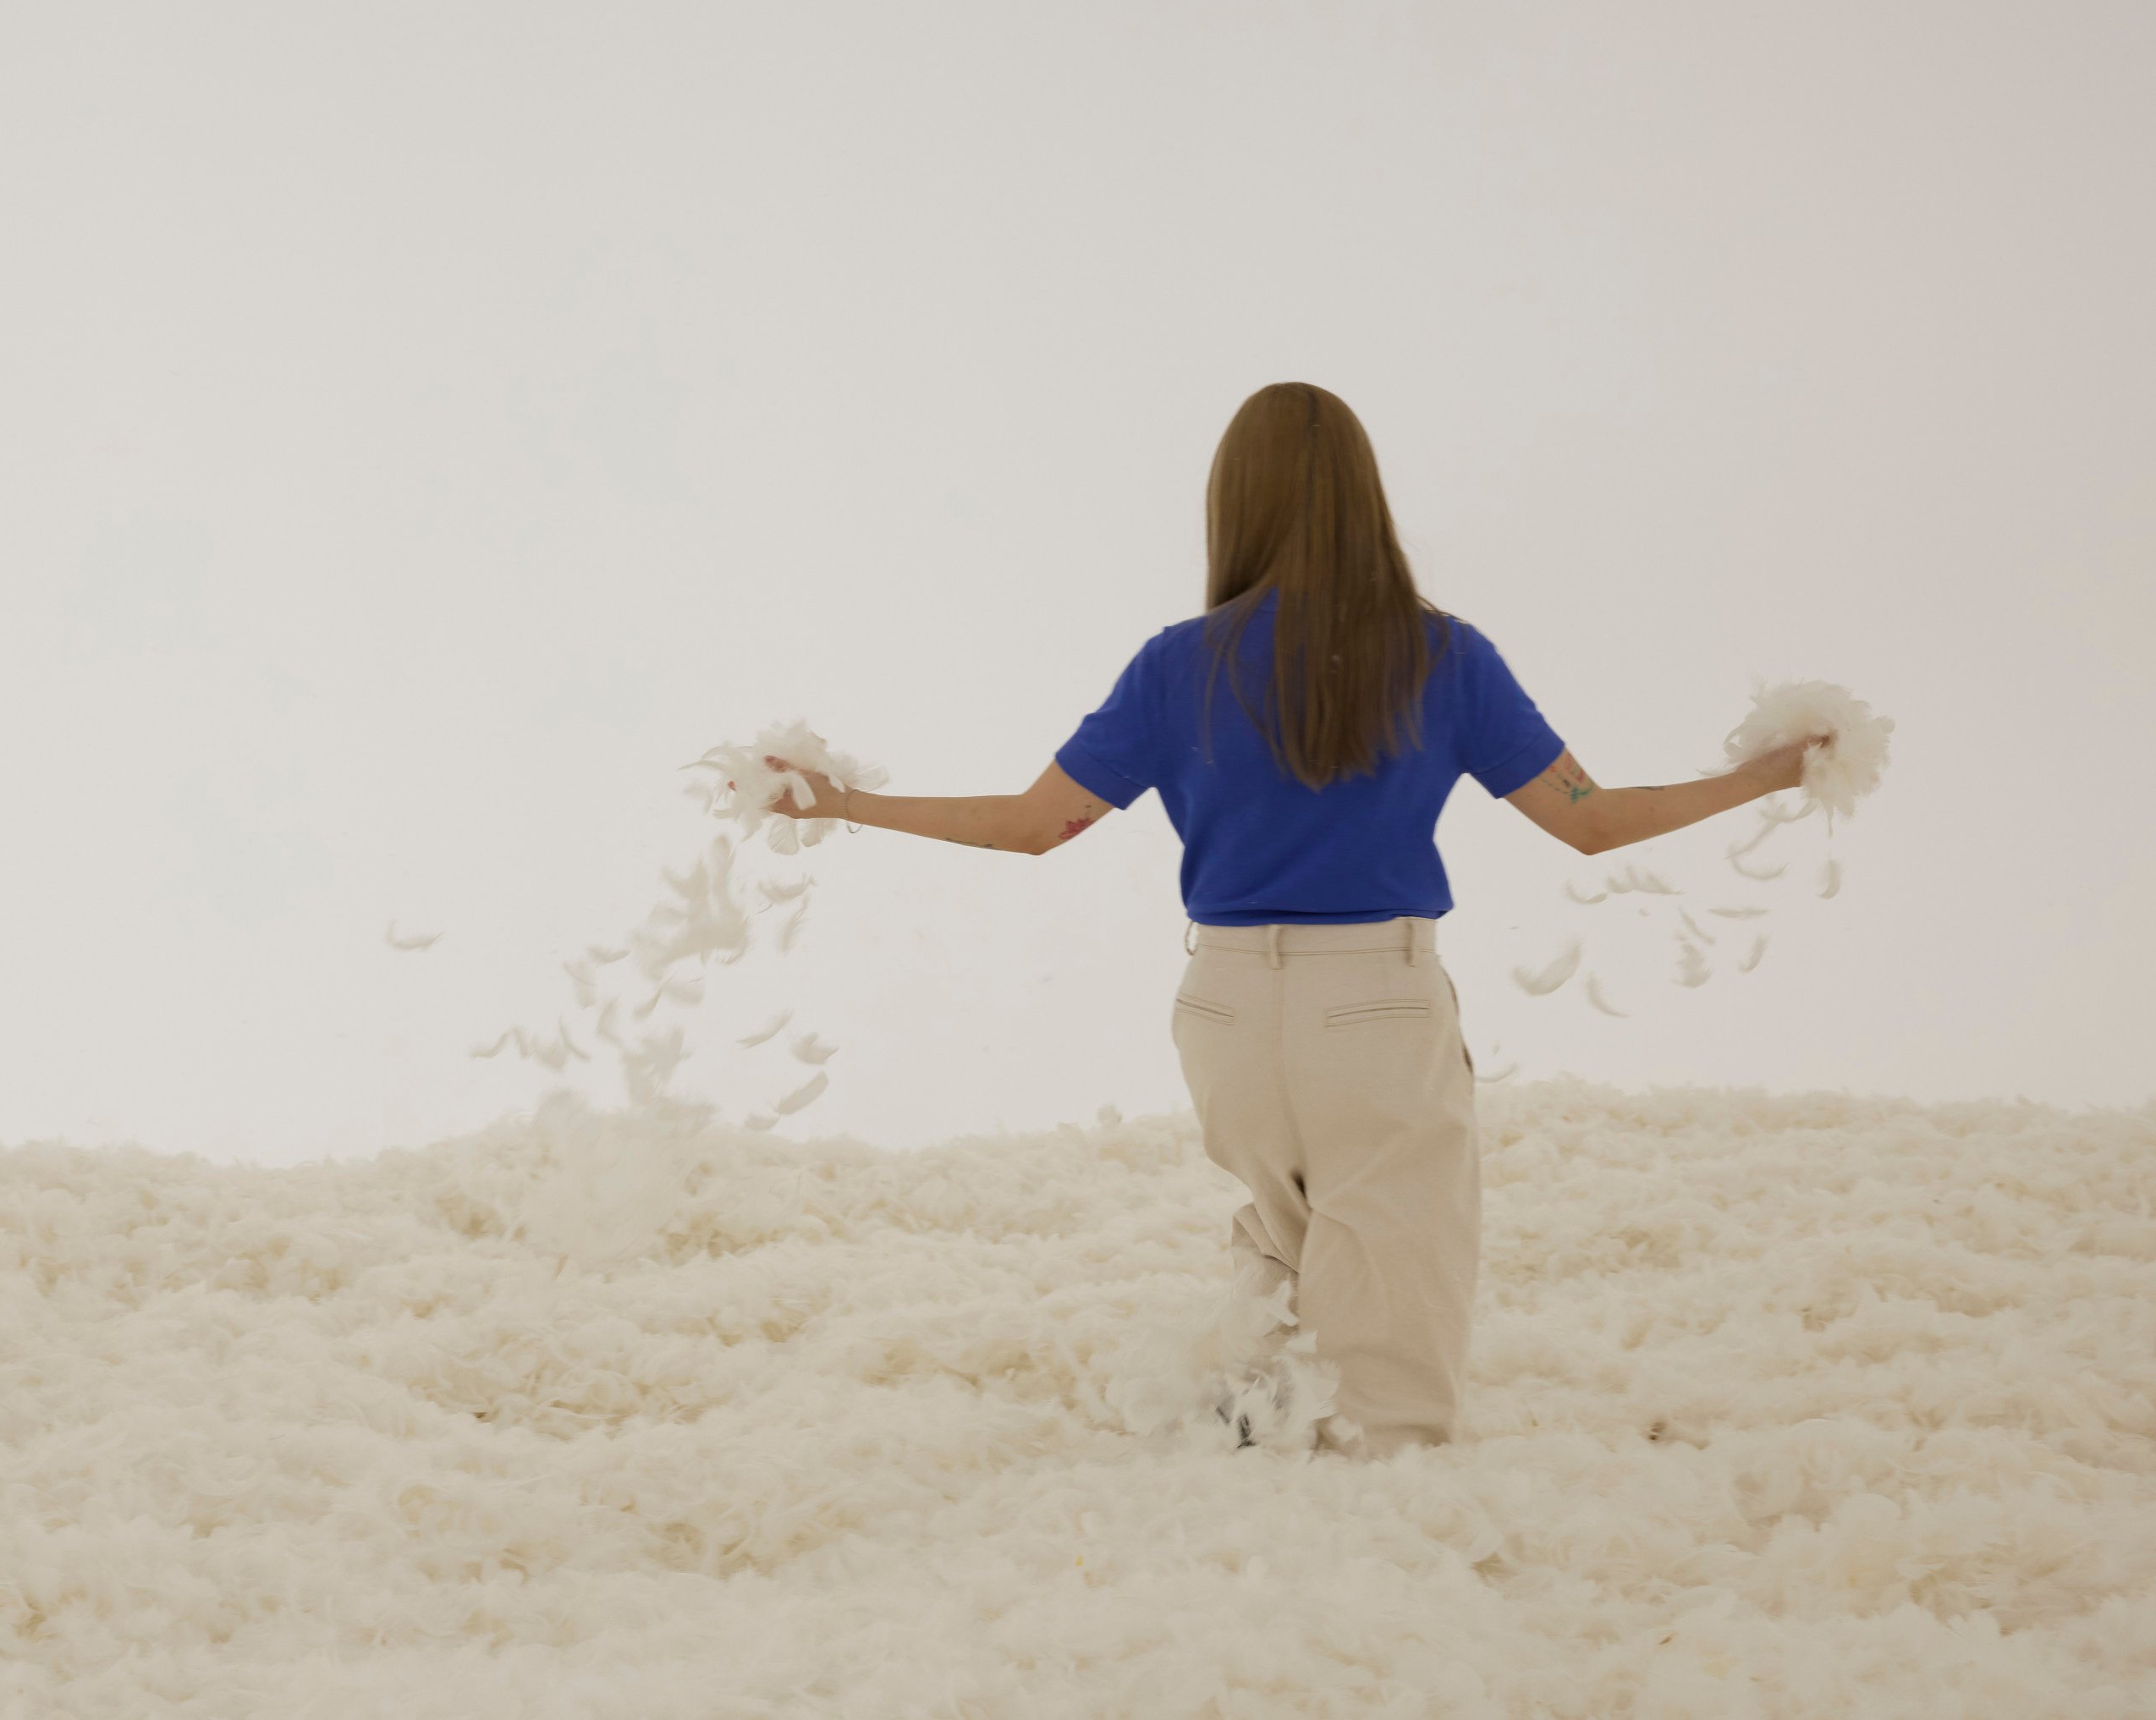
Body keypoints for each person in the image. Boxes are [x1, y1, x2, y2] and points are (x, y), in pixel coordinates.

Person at [766, 382, 1823, 1454]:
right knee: (1394, 1301)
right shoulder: (1442, 654)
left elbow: (1035, 825)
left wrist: (841, 800)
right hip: (1375, 1004)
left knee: (1278, 1260)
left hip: (1222, 1011)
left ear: (1236, 502)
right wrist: (1764, 775)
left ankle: (1254, 1499)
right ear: (1365, 498)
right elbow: (1592, 824)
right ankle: (1372, 1529)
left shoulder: (1179, 661)